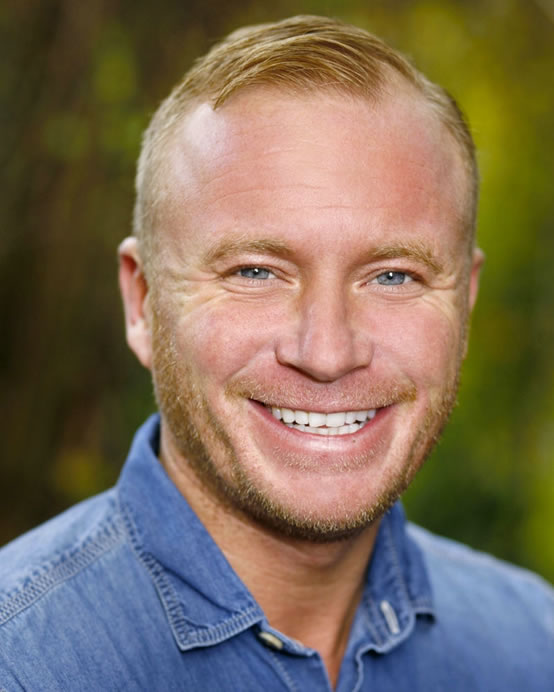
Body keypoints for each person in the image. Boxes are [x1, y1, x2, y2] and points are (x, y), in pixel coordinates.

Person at [0, 15, 552, 691]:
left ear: (464, 303)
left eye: (393, 276)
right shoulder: (21, 664)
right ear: (142, 302)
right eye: (255, 272)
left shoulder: (534, 648)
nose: (327, 352)